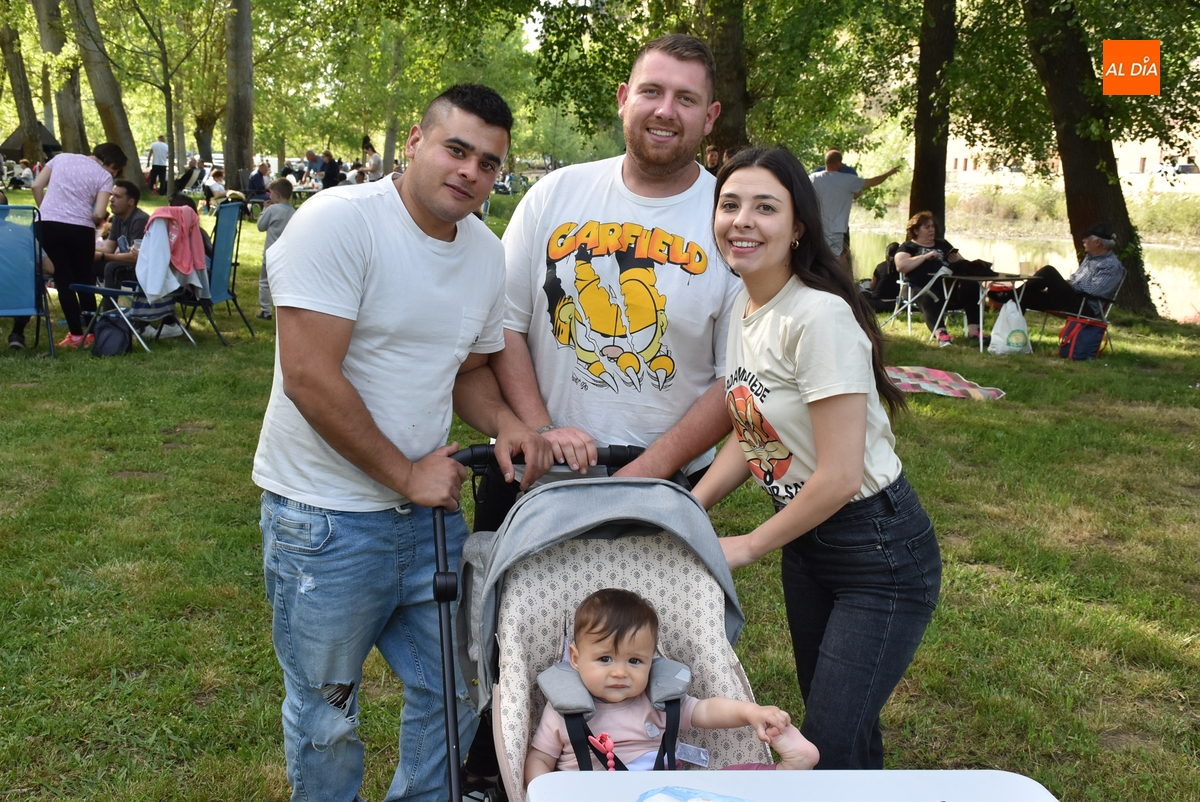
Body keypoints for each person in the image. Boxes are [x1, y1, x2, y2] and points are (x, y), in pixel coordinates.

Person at [252, 83, 552, 802]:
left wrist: (507, 421)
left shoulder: (484, 255)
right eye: (456, 150)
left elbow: (467, 371)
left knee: (457, 690)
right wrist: (406, 475)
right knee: (327, 715)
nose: (470, 172)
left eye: (488, 163)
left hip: (427, 522)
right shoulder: (339, 222)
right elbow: (309, 377)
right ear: (416, 142)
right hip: (323, 521)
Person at [692, 147, 941, 770]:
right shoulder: (747, 306)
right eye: (730, 204)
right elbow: (753, 428)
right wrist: (689, 508)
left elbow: (840, 475)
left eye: (765, 207)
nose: (742, 220)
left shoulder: (818, 316)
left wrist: (747, 545)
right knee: (843, 729)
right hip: (808, 542)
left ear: (798, 226)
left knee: (823, 746)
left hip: (877, 550)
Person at [485, 33, 740, 519]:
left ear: (710, 117)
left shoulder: (731, 222)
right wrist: (542, 431)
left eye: (686, 99)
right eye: (651, 91)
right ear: (624, 98)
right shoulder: (554, 194)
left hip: (664, 485)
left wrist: (643, 475)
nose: (665, 110)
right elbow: (505, 324)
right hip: (530, 471)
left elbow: (735, 378)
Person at [524, 588, 819, 783]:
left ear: (652, 660)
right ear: (576, 658)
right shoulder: (564, 710)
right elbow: (540, 758)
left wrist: (751, 713)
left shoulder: (656, 699)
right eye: (605, 659)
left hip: (665, 790)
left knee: (723, 784)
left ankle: (785, 770)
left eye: (635, 661)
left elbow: (706, 711)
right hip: (591, 794)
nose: (620, 672)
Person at [18, 143, 127, 347]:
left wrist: (46, 209)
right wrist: (86, 215)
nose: (114, 173)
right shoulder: (104, 176)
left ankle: (76, 334)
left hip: (48, 224)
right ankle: (93, 331)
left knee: (62, 278)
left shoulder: (60, 158)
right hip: (81, 228)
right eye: (115, 169)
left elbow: (36, 186)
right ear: (110, 161)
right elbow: (100, 212)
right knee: (84, 278)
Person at [894, 211, 989, 347]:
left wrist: (957, 261)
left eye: (932, 226)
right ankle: (941, 333)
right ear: (916, 230)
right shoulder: (908, 247)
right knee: (930, 296)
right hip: (920, 287)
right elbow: (901, 266)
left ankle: (974, 331)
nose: (931, 230)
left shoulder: (943, 244)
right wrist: (924, 257)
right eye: (927, 227)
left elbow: (964, 262)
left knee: (972, 286)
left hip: (948, 286)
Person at [997, 222, 1125, 316]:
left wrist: (1067, 284)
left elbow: (1092, 290)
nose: (1083, 240)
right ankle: (1007, 337)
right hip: (1071, 299)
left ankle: (1009, 295)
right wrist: (1067, 284)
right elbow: (1075, 278)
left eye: (1087, 238)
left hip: (1084, 306)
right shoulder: (1091, 257)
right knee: (1025, 295)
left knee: (1048, 272)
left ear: (1097, 242)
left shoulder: (1111, 266)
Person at [809, 150, 899, 272]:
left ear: (826, 162)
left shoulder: (813, 178)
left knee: (816, 260)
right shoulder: (847, 180)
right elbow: (873, 181)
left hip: (816, 229)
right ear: (839, 164)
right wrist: (888, 173)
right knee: (833, 262)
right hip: (836, 230)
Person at [2, 189, 56, 350]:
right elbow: (50, 268)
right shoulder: (24, 234)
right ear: (7, 211)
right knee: (34, 280)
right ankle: (17, 332)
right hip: (21, 300)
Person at [93, 179, 150, 292]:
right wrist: (88, 252)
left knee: (112, 267)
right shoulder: (117, 218)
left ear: (131, 202)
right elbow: (109, 248)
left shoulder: (140, 220)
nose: (111, 199)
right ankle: (87, 301)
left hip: (143, 269)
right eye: (112, 195)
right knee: (89, 262)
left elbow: (135, 257)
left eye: (117, 196)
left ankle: (110, 303)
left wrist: (102, 256)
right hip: (128, 264)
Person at [255, 178, 295, 320]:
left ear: (277, 195)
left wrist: (264, 210)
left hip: (271, 253)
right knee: (284, 282)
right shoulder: (293, 212)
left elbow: (261, 226)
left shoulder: (272, 209)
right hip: (286, 254)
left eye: (270, 193)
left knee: (265, 282)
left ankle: (266, 310)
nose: (269, 196)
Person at [864, 241, 900, 312]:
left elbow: (872, 287)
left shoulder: (880, 266)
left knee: (862, 294)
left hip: (878, 303)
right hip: (896, 304)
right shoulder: (904, 268)